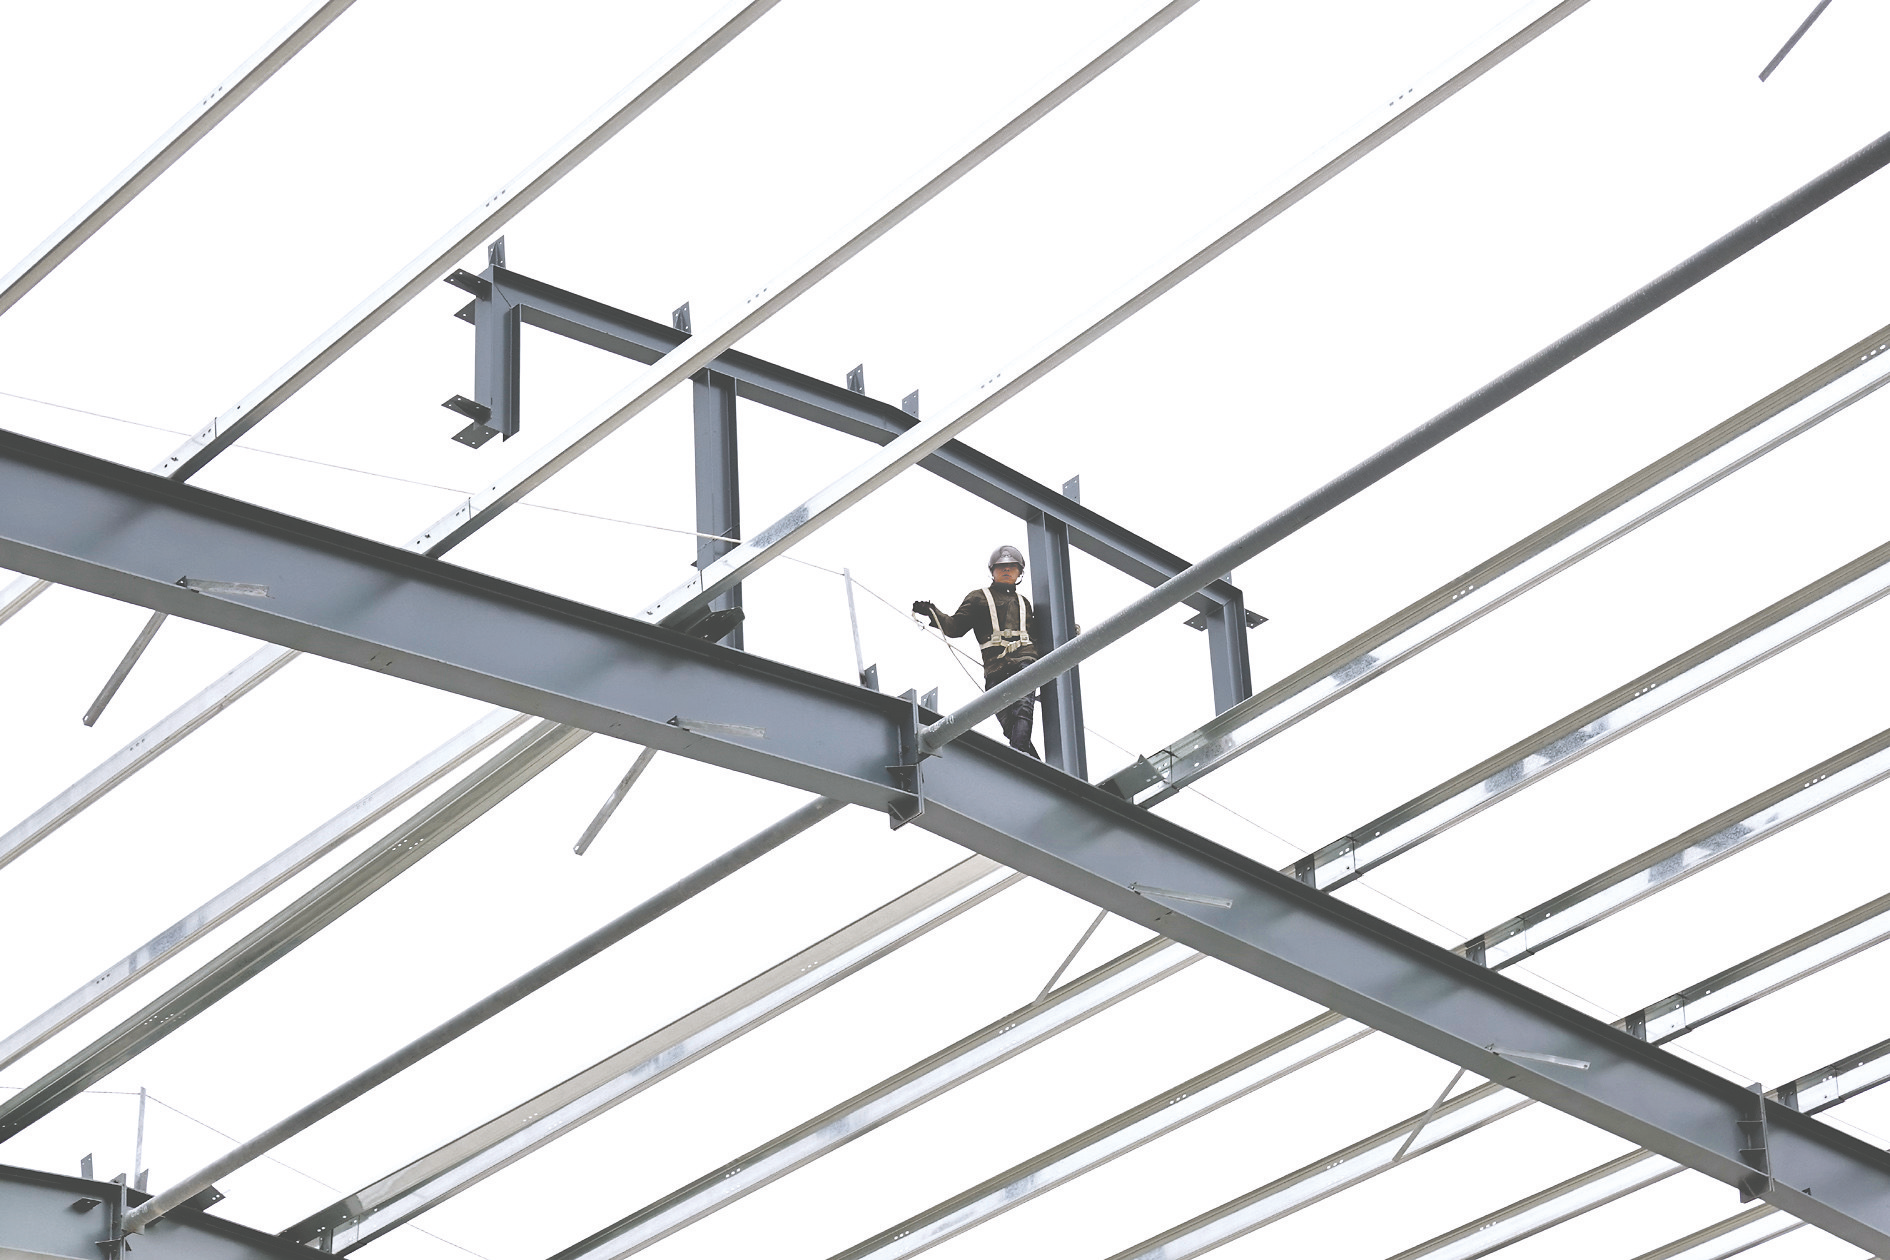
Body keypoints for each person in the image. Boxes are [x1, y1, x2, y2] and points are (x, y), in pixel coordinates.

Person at [913, 545, 1046, 758]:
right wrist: (933, 612)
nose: (1006, 570)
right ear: (992, 571)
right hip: (995, 668)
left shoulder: (1024, 603)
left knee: (1023, 710)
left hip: (1024, 661)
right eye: (1001, 567)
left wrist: (1067, 632)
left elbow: (1038, 636)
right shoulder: (978, 598)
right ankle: (1033, 765)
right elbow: (955, 627)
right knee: (1009, 726)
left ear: (1020, 572)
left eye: (1012, 567)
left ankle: (1018, 760)